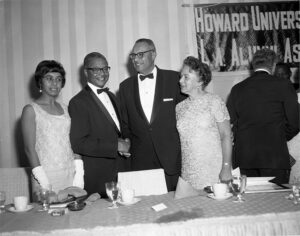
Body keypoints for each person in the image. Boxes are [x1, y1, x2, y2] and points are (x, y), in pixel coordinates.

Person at [119, 38, 186, 191]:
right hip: (141, 163)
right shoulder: (125, 87)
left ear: (154, 54)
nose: (135, 59)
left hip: (171, 160)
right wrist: (128, 142)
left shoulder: (174, 79)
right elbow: (125, 123)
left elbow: (186, 115)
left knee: (176, 209)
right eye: (133, 55)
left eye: (140, 54)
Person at [227, 49, 299, 184]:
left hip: (245, 157)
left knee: (249, 202)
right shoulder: (284, 85)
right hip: (274, 157)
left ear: (254, 65)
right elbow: (295, 123)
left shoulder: (237, 89)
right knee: (276, 202)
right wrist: (278, 137)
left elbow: (230, 123)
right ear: (273, 65)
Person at [69, 52, 130, 196]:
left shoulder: (112, 96)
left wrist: (126, 141)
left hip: (122, 172)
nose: (102, 73)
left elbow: (119, 129)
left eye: (105, 68)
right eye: (96, 69)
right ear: (85, 72)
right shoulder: (78, 102)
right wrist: (116, 145)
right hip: (99, 176)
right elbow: (78, 143)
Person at [21, 60, 84, 194]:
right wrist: (43, 181)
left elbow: (75, 142)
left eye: (58, 79)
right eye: (49, 78)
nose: (54, 83)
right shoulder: (30, 110)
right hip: (44, 175)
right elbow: (29, 149)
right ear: (40, 82)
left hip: (69, 173)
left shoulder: (67, 109)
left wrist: (79, 174)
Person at [176, 56, 232, 189]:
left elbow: (226, 135)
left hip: (214, 171)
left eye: (186, 77)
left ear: (200, 81)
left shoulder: (214, 101)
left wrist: (226, 167)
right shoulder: (179, 107)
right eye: (180, 76)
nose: (180, 81)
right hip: (188, 173)